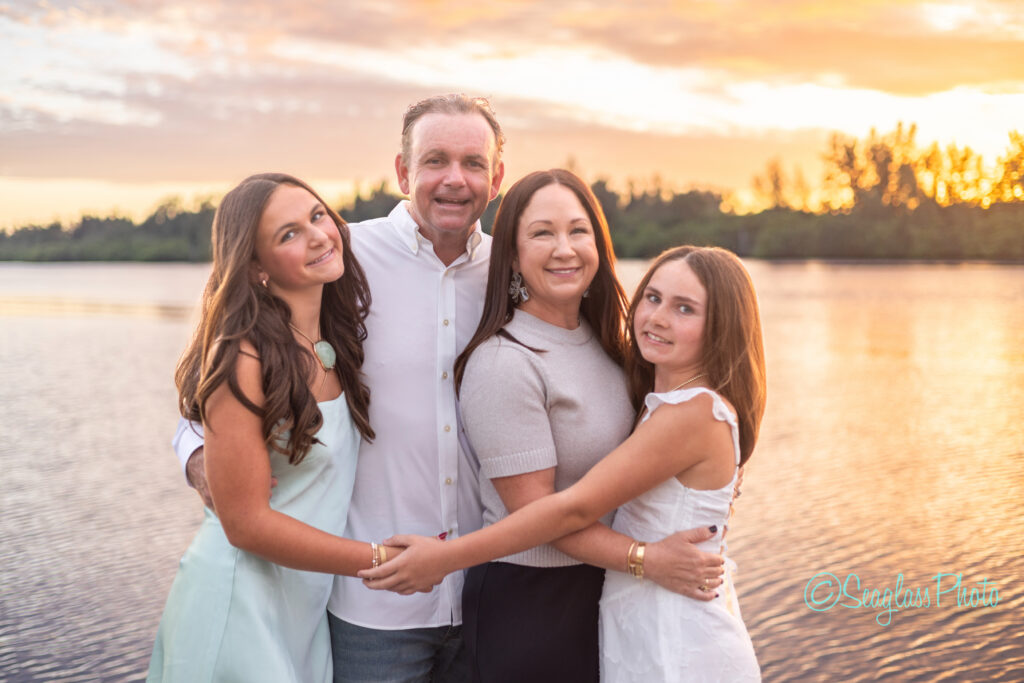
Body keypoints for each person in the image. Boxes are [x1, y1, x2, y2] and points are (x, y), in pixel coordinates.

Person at [172, 95, 723, 681]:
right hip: (375, 604)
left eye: (473, 163)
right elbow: (226, 362)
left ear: (497, 178)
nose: (454, 180)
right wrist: (197, 454)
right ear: (403, 172)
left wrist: (705, 469)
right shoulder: (339, 257)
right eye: (435, 161)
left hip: (499, 596)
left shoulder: (527, 268)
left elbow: (630, 373)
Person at [361, 245, 766, 682]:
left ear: (722, 327)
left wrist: (444, 558)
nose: (657, 318)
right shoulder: (662, 402)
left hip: (679, 634)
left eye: (684, 308)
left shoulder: (693, 413)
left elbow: (572, 509)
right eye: (652, 297)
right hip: (642, 621)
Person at [452, 170, 727, 682]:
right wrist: (645, 559)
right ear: (511, 256)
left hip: (608, 590)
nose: (565, 249)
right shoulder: (503, 362)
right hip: (533, 601)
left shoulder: (614, 347)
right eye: (542, 233)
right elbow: (536, 511)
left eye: (579, 231)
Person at [149, 173, 403, 682]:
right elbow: (244, 525)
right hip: (237, 602)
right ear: (257, 268)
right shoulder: (241, 354)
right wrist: (381, 561)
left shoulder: (332, 339)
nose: (316, 235)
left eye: (317, 215)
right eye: (287, 234)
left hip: (301, 611)